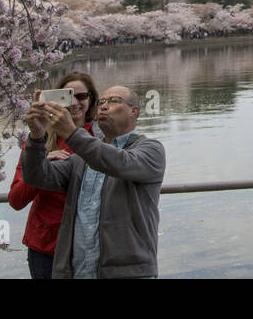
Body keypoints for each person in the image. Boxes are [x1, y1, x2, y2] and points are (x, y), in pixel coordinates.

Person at [22, 85, 166, 278]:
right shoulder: (80, 159)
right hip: (78, 272)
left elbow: (118, 162)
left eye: (114, 101)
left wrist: (72, 133)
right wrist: (37, 135)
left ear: (134, 111)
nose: (104, 107)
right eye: (101, 102)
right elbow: (36, 175)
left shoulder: (150, 150)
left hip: (128, 273)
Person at [8, 71, 99, 279]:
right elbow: (15, 199)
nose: (75, 103)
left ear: (92, 100)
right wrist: (42, 166)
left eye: (82, 96)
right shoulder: (39, 142)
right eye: (67, 96)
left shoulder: (101, 138)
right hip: (48, 245)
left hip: (89, 243)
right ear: (55, 100)